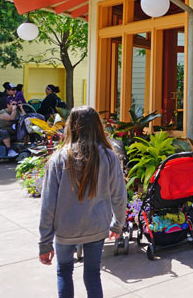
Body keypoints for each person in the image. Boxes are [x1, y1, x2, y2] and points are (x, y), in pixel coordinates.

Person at [38, 106, 127, 298]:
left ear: (71, 126)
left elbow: (48, 205)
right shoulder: (109, 156)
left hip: (65, 230)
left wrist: (45, 242)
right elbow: (119, 195)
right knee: (93, 275)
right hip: (96, 227)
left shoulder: (58, 159)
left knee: (64, 272)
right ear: (97, 126)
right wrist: (118, 224)